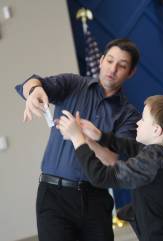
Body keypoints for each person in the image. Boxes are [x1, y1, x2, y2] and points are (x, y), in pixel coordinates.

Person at [15, 39, 141, 241]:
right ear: (100, 61)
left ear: (131, 72)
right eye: (109, 61)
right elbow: (32, 81)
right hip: (53, 195)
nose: (113, 69)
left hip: (95, 199)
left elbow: (110, 161)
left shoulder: (129, 115)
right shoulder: (73, 84)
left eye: (122, 65)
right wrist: (33, 91)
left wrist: (82, 137)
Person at [56, 95, 163, 241]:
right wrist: (99, 136)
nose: (138, 123)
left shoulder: (154, 160)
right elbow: (134, 147)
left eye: (143, 119)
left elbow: (101, 176)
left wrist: (77, 139)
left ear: (157, 130)